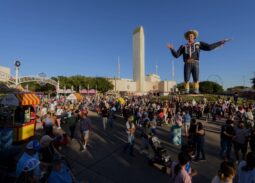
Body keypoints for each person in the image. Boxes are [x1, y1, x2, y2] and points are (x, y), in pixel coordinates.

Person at [167, 29, 228, 94]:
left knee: (196, 77)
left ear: (194, 37)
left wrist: (221, 42)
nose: (190, 37)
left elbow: (209, 47)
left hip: (195, 62)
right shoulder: (183, 46)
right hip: (187, 63)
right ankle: (186, 89)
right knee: (186, 77)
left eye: (191, 36)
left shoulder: (199, 44)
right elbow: (176, 55)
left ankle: (196, 89)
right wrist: (172, 49)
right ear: (187, 38)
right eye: (189, 36)